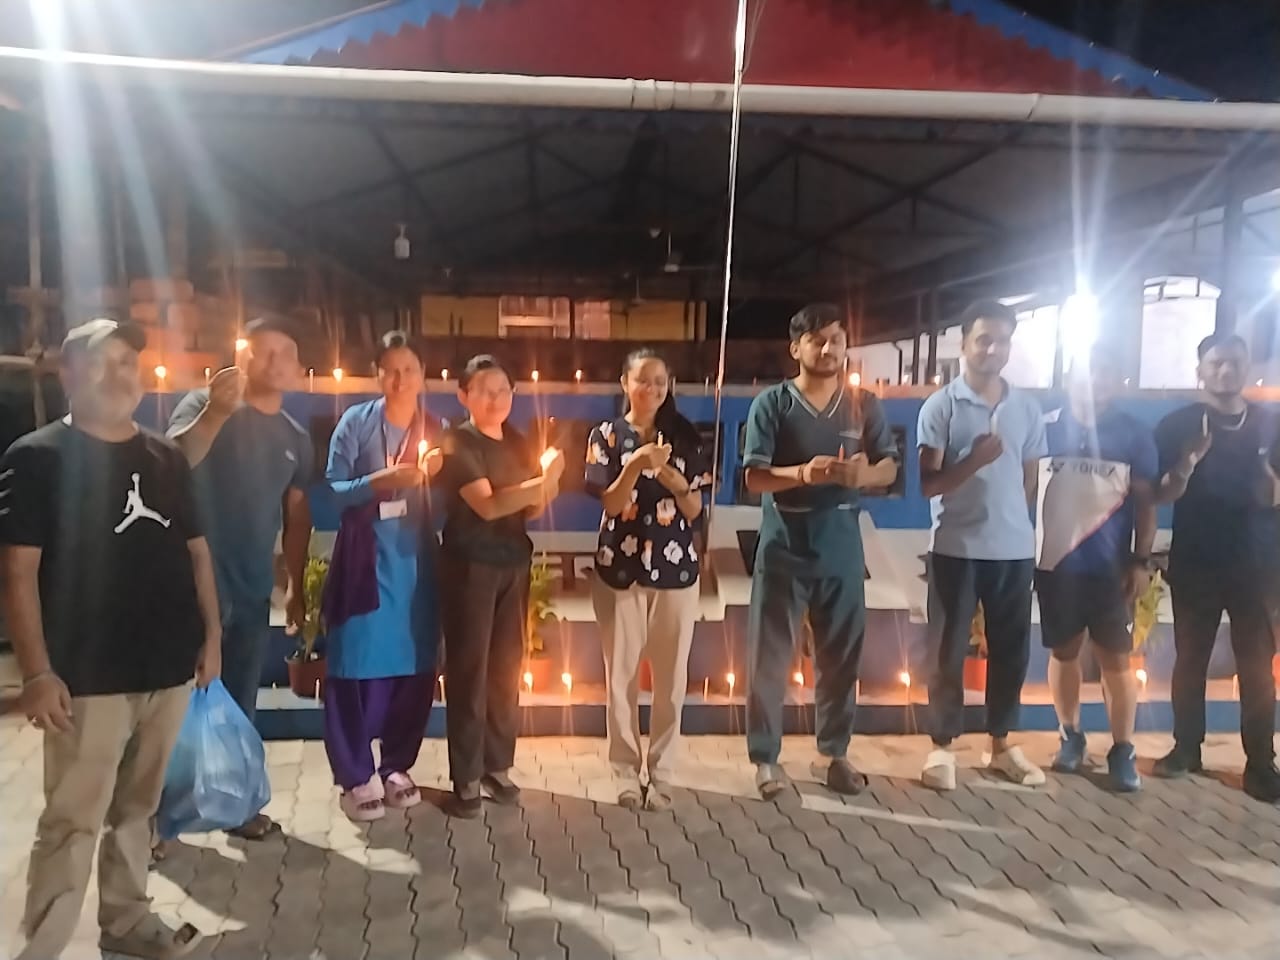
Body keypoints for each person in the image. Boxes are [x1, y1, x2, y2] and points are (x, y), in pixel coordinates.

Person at [1, 319, 221, 960]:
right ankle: (43, 946)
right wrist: (36, 672)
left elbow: (197, 552)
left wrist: (211, 637)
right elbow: (17, 571)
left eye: (129, 361)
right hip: (87, 678)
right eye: (103, 361)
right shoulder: (38, 457)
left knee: (137, 809)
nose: (120, 373)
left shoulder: (164, 457)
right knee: (73, 818)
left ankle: (126, 923)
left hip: (168, 669)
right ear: (69, 372)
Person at [741, 304, 899, 800]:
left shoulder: (864, 405)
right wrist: (802, 474)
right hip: (784, 547)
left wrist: (863, 475)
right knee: (769, 658)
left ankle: (833, 754)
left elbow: (890, 467)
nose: (829, 348)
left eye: (836, 339)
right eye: (817, 339)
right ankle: (766, 759)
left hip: (842, 547)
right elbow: (754, 478)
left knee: (841, 657)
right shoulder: (772, 404)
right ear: (796, 348)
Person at [167, 316, 313, 839]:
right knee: (173, 709)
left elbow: (297, 516)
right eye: (263, 350)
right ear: (241, 356)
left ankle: (237, 807)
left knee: (240, 703)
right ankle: (159, 820)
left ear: (298, 368)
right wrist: (215, 412)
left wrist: (294, 585)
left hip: (251, 590)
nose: (274, 361)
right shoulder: (203, 404)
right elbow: (170, 462)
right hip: (189, 587)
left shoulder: (295, 437)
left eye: (285, 352)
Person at [917, 300, 1047, 791]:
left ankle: (1001, 745)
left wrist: (1010, 521)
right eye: (983, 339)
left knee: (1011, 650)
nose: (992, 349)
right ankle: (941, 747)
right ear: (964, 343)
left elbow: (1030, 480)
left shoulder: (1026, 408)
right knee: (947, 652)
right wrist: (973, 462)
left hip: (1013, 550)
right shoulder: (941, 406)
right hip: (955, 547)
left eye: (1002, 340)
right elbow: (928, 484)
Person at [321, 331, 445, 822]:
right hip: (365, 561)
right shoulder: (355, 423)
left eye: (409, 369)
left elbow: (450, 499)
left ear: (423, 376)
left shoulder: (436, 428)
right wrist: (382, 481)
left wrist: (441, 476)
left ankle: (396, 764)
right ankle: (356, 775)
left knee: (413, 667)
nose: (400, 379)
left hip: (415, 564)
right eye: (391, 370)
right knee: (355, 662)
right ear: (377, 375)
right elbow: (334, 490)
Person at [1152, 333, 1280, 803]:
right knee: (1190, 659)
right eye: (1216, 363)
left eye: (1235, 362)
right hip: (1197, 560)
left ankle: (1260, 762)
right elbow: (1158, 494)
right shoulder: (1176, 426)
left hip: (1257, 563)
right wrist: (1186, 465)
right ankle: (1186, 748)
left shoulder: (1272, 424)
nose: (1226, 370)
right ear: (1200, 370)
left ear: (1248, 368)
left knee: (1257, 665)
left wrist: (1272, 487)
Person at [438, 355, 565, 818]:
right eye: (485, 391)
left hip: (513, 562)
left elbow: (533, 507)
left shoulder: (517, 440)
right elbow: (488, 506)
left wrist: (546, 485)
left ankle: (497, 766)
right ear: (464, 395)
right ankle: (466, 777)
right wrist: (543, 481)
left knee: (507, 668)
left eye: (504, 390)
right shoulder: (457, 442)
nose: (496, 399)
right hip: (470, 565)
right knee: (469, 671)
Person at [586, 349, 713, 810]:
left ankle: (662, 771)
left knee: (670, 680)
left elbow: (695, 510)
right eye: (643, 380)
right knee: (620, 676)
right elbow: (610, 502)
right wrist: (637, 464)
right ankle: (624, 770)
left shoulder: (684, 435)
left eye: (660, 381)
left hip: (676, 573)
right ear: (625, 383)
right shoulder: (605, 436)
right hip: (619, 569)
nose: (653, 389)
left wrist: (675, 480)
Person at [1035, 347, 1157, 792]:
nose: (1095, 381)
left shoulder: (1134, 434)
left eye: (1106, 373)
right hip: (1056, 566)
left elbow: (1146, 505)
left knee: (1116, 661)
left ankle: (1123, 749)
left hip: (1110, 569)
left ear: (1118, 381)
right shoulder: (1044, 428)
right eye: (1087, 373)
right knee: (1064, 652)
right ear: (1070, 378)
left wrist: (1140, 561)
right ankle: (1070, 736)